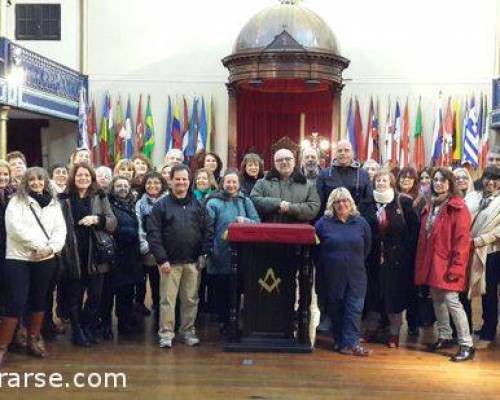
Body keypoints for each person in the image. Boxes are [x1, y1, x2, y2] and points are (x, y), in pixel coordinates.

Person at [0, 167, 66, 365]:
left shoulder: (54, 203)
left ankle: (33, 338)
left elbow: (60, 230)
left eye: (40, 179)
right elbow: (14, 229)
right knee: (16, 300)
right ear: (25, 183)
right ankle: (3, 345)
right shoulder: (15, 202)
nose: (36, 183)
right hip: (18, 258)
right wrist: (39, 247)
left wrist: (50, 249)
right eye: (32, 180)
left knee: (39, 299)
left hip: (45, 259)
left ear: (46, 182)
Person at [146, 164, 214, 348]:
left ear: (189, 181)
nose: (181, 182)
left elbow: (208, 230)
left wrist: (203, 254)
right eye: (178, 179)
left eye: (184, 179)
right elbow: (153, 234)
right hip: (169, 263)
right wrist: (161, 259)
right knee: (167, 300)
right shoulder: (161, 206)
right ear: (170, 180)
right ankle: (166, 333)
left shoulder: (198, 205)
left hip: (193, 263)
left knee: (191, 300)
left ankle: (188, 331)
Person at [415, 168, 474, 362]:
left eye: (442, 180)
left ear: (450, 183)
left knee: (452, 301)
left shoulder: (458, 207)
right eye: (435, 180)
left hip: (448, 263)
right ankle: (445, 335)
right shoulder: (430, 205)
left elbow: (462, 241)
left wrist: (456, 267)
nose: (438, 183)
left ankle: (466, 343)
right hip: (432, 262)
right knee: (437, 299)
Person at [59, 163, 117, 347]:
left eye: (86, 175)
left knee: (95, 297)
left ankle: (86, 327)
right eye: (79, 175)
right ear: (73, 178)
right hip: (73, 254)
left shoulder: (100, 196)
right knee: (74, 296)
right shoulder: (63, 198)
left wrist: (97, 219)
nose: (82, 178)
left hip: (96, 254)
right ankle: (77, 331)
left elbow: (112, 222)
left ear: (91, 178)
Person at [363, 171, 419, 347]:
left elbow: (414, 229)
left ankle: (394, 333)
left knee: (394, 295)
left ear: (391, 183)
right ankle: (371, 328)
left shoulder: (403, 202)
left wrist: (404, 252)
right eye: (378, 180)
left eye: (384, 180)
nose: (381, 183)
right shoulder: (366, 203)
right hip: (371, 257)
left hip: (396, 260)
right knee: (373, 293)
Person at [315, 187, 372, 356]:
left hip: (356, 275)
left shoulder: (361, 222)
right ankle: (340, 342)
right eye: (337, 201)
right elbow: (315, 251)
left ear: (351, 202)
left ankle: (353, 344)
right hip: (331, 276)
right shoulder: (322, 224)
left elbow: (367, 248)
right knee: (336, 310)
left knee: (354, 310)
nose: (342, 204)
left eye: (345, 200)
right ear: (331, 204)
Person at [205, 169, 260, 334]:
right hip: (219, 253)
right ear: (223, 183)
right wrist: (209, 251)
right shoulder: (213, 202)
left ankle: (238, 320)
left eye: (234, 182)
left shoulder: (245, 201)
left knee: (239, 288)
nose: (231, 185)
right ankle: (224, 322)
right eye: (228, 182)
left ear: (238, 184)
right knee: (222, 290)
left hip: (243, 254)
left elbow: (258, 223)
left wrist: (246, 221)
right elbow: (208, 229)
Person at [100, 176, 142, 337]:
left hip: (131, 258)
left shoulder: (133, 204)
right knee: (108, 295)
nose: (123, 188)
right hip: (114, 256)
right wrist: (128, 233)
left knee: (126, 294)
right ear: (112, 188)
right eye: (118, 186)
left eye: (125, 185)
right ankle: (105, 326)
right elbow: (108, 226)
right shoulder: (107, 204)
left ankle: (124, 324)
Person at [465, 166, 500, 341]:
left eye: (495, 179)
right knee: (472, 289)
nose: (491, 182)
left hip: (492, 252)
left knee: (489, 291)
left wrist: (480, 240)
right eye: (488, 178)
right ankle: (471, 326)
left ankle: (489, 328)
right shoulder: (474, 197)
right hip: (469, 249)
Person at [251, 148, 320, 223]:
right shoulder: (262, 183)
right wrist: (277, 203)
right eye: (279, 160)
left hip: (298, 232)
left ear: (294, 161)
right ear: (274, 163)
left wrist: (290, 208)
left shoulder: (308, 185)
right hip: (269, 231)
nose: (284, 162)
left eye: (287, 159)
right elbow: (253, 200)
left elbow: (313, 207)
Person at [135, 172, 169, 318]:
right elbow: (138, 225)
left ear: (162, 185)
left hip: (164, 248)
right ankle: (140, 306)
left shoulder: (168, 201)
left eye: (156, 183)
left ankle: (159, 311)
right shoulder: (139, 202)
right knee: (143, 279)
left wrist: (159, 246)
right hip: (146, 248)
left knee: (161, 284)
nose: (152, 186)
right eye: (149, 183)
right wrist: (146, 245)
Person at [316, 140, 372, 217]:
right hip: (331, 219)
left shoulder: (363, 174)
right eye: (340, 151)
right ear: (335, 154)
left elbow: (368, 200)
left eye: (346, 150)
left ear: (352, 153)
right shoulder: (324, 174)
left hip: (356, 219)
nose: (343, 153)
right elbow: (320, 201)